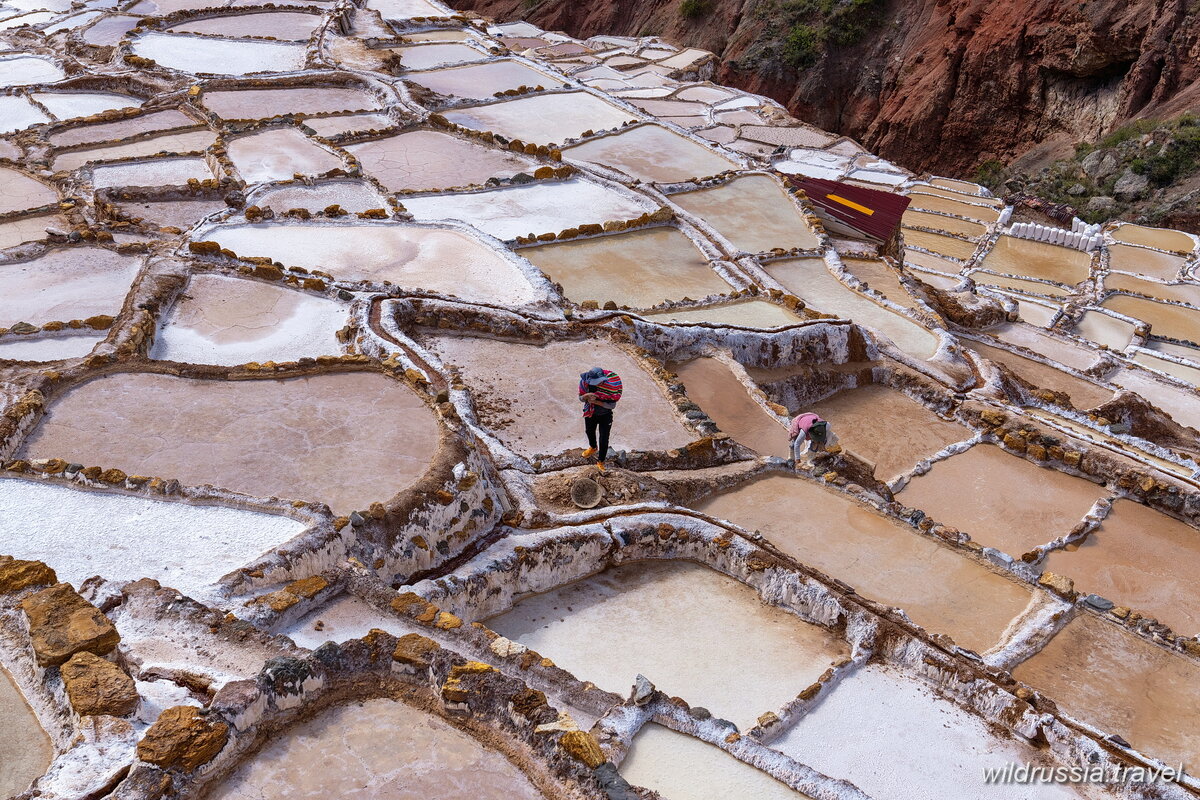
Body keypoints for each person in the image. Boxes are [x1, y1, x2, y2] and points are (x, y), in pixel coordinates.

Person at [579, 366, 622, 472]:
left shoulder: (611, 386)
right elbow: (580, 398)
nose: (599, 384)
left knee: (604, 438)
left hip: (605, 415)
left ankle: (601, 461)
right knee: (589, 431)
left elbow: (612, 405)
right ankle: (593, 447)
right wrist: (586, 396)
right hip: (591, 412)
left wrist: (597, 402)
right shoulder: (585, 383)